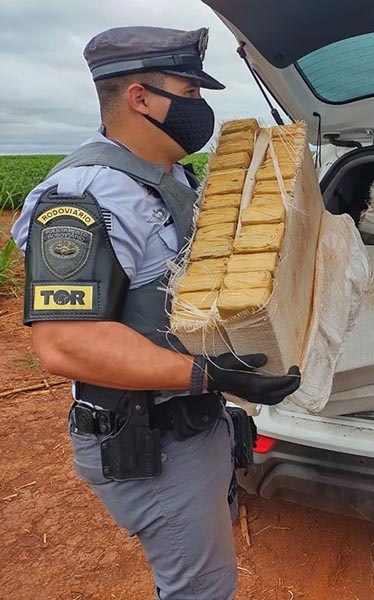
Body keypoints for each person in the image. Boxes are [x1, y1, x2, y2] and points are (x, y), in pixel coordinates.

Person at [11, 26, 301, 600]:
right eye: (189, 93)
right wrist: (207, 374)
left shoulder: (173, 178)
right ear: (141, 98)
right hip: (153, 442)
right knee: (200, 589)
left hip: (191, 424)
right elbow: (64, 345)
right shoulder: (85, 195)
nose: (201, 108)